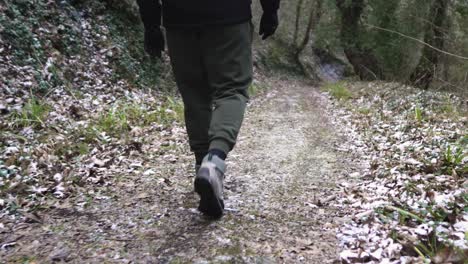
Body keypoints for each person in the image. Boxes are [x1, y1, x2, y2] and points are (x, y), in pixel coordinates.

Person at [136, 0, 281, 218]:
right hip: (229, 16)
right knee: (231, 90)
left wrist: (151, 24)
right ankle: (213, 163)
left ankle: (203, 171)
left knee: (194, 95)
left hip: (178, 20)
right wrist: (270, 9)